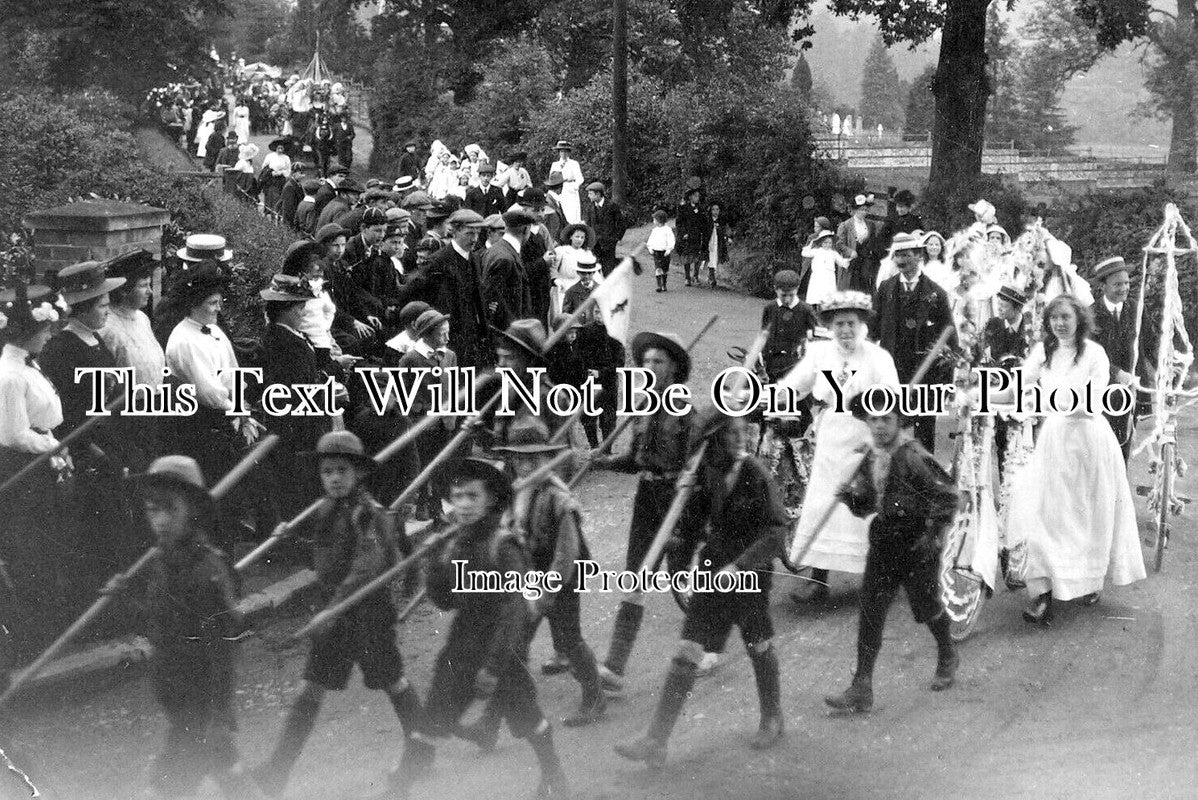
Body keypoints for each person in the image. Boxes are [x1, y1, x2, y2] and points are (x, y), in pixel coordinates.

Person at [252, 431, 432, 798]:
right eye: (327, 471)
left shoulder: (368, 514)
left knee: (392, 681)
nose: (334, 478)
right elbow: (326, 557)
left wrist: (332, 609)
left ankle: (422, 749)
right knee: (310, 689)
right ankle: (277, 771)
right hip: (334, 613)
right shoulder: (326, 509)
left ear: (358, 473)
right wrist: (289, 538)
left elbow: (365, 569)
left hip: (367, 615)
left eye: (341, 470)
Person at [614, 410, 787, 768]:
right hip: (712, 572)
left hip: (748, 575)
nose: (741, 439)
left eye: (744, 431)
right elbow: (691, 523)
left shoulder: (756, 474)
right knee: (688, 650)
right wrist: (676, 547)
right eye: (731, 433)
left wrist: (739, 566)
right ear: (712, 442)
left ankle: (772, 718)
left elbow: (775, 532)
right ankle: (656, 740)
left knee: (758, 645)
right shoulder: (706, 475)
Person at [415, 457, 569, 800]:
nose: (464, 505)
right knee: (432, 715)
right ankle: (399, 787)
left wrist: (494, 666)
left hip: (502, 644)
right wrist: (434, 566)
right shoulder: (454, 544)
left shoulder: (503, 545)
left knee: (527, 717)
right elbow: (447, 602)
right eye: (457, 497)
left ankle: (553, 772)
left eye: (472, 496)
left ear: (491, 501)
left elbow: (515, 610)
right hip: (462, 642)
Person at [102, 455, 253, 798]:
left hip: (199, 699)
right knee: (229, 776)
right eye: (153, 510)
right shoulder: (163, 561)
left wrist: (220, 713)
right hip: (176, 693)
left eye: (170, 509)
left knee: (167, 786)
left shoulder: (207, 569)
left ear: (193, 511)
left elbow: (221, 647)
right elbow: (159, 622)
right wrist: (123, 598)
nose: (161, 520)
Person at [458, 418, 606, 752]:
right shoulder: (517, 492)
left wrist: (547, 592)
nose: (524, 465)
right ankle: (489, 725)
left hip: (561, 579)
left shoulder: (559, 498)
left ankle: (595, 696)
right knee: (513, 646)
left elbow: (567, 554)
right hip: (529, 575)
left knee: (569, 639)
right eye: (518, 458)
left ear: (545, 459)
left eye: (532, 459)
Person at [996, 294, 1146, 623]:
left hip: (1088, 442)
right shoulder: (1042, 351)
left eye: (1066, 317)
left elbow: (1089, 402)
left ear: (1079, 319)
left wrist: (1041, 402)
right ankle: (1042, 594)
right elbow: (1015, 386)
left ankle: (1089, 579)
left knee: (1086, 516)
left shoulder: (1095, 354)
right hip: (1053, 441)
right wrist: (979, 396)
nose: (1060, 323)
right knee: (1041, 512)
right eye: (1054, 318)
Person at [823, 389, 962, 713]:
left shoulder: (913, 457)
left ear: (899, 422)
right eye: (874, 419)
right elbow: (870, 503)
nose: (880, 426)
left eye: (887, 419)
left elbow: (948, 497)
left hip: (916, 543)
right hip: (884, 540)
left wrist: (932, 533)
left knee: (926, 607)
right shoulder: (870, 457)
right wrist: (851, 496)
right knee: (870, 612)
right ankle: (861, 686)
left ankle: (947, 652)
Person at [777, 291, 900, 604]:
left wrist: (878, 436)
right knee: (822, 502)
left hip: (866, 439)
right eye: (840, 324)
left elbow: (892, 399)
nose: (846, 330)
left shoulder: (877, 357)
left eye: (852, 323)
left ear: (862, 325)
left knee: (867, 508)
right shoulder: (820, 354)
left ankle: (881, 574)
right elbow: (794, 385)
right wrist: (768, 398)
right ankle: (819, 577)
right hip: (831, 439)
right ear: (830, 325)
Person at [592, 332, 696, 689]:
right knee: (636, 576)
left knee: (686, 577)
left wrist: (688, 508)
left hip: (679, 501)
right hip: (647, 497)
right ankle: (615, 667)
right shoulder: (643, 407)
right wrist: (600, 462)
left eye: (659, 362)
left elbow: (698, 462)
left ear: (674, 369)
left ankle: (711, 642)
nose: (650, 367)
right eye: (646, 361)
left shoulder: (684, 410)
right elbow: (635, 461)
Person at [0, 284, 72, 633]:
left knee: (47, 542)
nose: (48, 337)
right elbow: (14, 434)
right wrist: (51, 448)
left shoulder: (29, 364)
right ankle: (34, 628)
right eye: (45, 330)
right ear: (28, 333)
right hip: (21, 469)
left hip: (41, 459)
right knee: (30, 546)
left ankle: (48, 618)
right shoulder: (10, 376)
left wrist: (54, 444)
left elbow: (41, 419)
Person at [873, 232, 956, 454]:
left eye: (906, 255)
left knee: (924, 427)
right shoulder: (886, 289)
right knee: (891, 423)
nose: (901, 261)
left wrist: (947, 377)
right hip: (892, 368)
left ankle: (924, 479)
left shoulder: (936, 293)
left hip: (923, 371)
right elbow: (872, 328)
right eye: (897, 255)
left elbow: (949, 336)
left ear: (919, 256)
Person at [758, 269, 818, 518]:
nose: (785, 299)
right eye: (782, 294)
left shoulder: (805, 310)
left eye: (790, 295)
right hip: (773, 366)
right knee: (771, 411)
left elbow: (815, 338)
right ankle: (769, 454)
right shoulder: (770, 308)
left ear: (797, 292)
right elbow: (763, 335)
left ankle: (801, 454)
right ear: (775, 290)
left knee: (799, 411)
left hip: (796, 368)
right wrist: (760, 363)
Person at [419, 208, 491, 367]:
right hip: (449, 337)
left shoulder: (474, 258)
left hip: (472, 336)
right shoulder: (438, 261)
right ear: (455, 231)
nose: (475, 239)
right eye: (469, 233)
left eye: (477, 233)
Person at [1089, 256, 1138, 461]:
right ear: (1103, 286)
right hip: (1101, 390)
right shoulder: (1091, 314)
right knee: (1101, 447)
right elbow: (1091, 353)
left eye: (1126, 283)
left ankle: (1119, 493)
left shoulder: (1135, 308)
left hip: (1130, 390)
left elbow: (1150, 343)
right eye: (1117, 284)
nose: (1124, 288)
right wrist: (1116, 372)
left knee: (1123, 444)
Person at [982, 285, 1030, 480]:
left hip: (1023, 393)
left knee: (1022, 444)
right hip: (998, 393)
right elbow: (984, 356)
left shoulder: (1030, 329)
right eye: (998, 304)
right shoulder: (993, 325)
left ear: (1017, 308)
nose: (999, 308)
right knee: (1001, 441)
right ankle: (1004, 489)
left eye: (1004, 305)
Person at [480, 208, 535, 330]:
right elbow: (492, 299)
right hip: (507, 331)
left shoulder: (497, 250)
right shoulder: (506, 258)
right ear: (526, 229)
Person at [836, 194, 882, 294]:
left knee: (865, 285)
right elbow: (839, 244)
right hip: (852, 261)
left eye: (866, 210)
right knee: (850, 287)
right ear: (855, 210)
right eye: (861, 209)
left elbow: (873, 240)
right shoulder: (846, 225)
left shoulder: (870, 224)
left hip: (865, 260)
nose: (864, 212)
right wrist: (850, 252)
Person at [583, 182, 627, 276]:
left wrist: (616, 238)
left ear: (598, 194)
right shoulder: (590, 207)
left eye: (590, 194)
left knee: (608, 272)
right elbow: (588, 225)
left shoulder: (612, 206)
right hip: (595, 246)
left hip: (608, 244)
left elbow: (621, 223)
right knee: (595, 272)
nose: (588, 196)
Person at [551, 222, 596, 316]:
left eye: (582, 237)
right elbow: (553, 268)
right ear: (571, 237)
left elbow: (593, 273)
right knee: (563, 314)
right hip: (563, 286)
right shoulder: (561, 251)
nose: (579, 240)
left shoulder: (587, 253)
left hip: (580, 287)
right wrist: (557, 281)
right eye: (577, 236)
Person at [801, 229, 849, 310]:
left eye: (830, 243)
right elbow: (804, 253)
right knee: (816, 294)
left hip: (829, 277)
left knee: (827, 295)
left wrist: (847, 261)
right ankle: (815, 310)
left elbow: (841, 262)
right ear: (821, 243)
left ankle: (826, 311)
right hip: (818, 276)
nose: (828, 245)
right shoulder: (816, 251)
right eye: (825, 243)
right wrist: (811, 244)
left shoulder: (833, 253)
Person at [675, 179, 710, 287]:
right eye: (695, 196)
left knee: (697, 256)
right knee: (687, 255)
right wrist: (683, 233)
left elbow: (704, 222)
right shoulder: (683, 208)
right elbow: (679, 222)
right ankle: (687, 277)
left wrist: (704, 232)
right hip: (687, 234)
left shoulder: (701, 208)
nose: (697, 198)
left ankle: (695, 275)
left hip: (697, 235)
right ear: (690, 197)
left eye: (698, 196)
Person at [551, 140, 584, 224]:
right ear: (559, 153)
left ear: (569, 153)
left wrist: (574, 186)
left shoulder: (574, 164)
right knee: (561, 213)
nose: (564, 154)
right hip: (559, 191)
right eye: (562, 151)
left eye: (566, 152)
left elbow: (580, 179)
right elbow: (551, 179)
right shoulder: (555, 164)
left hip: (571, 191)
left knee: (572, 215)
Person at [646, 210, 675, 293]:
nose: (653, 221)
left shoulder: (667, 230)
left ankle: (664, 284)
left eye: (654, 219)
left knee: (665, 269)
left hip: (664, 252)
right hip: (656, 252)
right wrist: (650, 248)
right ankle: (659, 285)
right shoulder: (654, 231)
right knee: (658, 268)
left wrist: (669, 249)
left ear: (659, 220)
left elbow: (671, 240)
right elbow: (650, 240)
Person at [705, 201, 731, 289]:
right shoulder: (708, 220)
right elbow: (706, 231)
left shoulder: (721, 221)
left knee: (715, 258)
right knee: (710, 257)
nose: (715, 211)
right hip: (710, 242)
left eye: (717, 209)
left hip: (718, 242)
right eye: (713, 210)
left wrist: (727, 238)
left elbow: (724, 232)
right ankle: (711, 277)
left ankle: (711, 275)